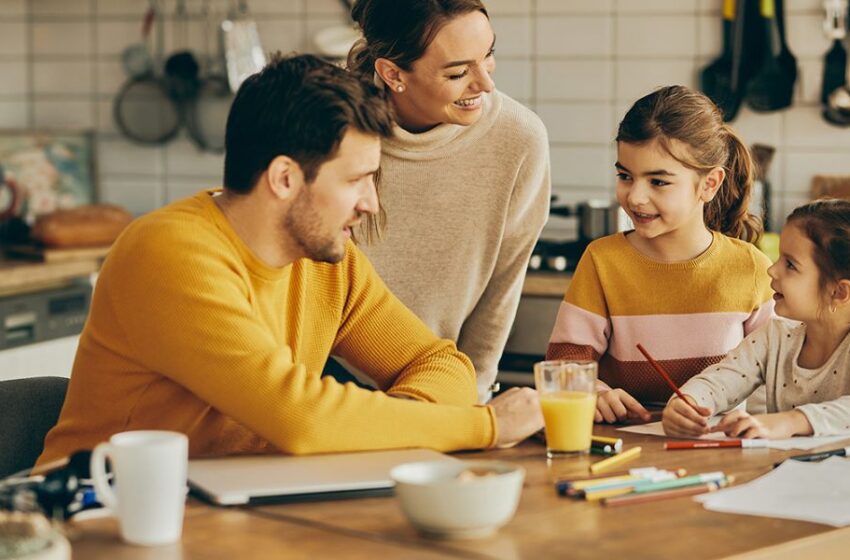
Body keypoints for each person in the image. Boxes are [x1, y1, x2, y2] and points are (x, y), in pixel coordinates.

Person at [37, 54, 543, 466]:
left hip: (237, 512)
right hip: (96, 515)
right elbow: (302, 417)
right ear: (284, 179)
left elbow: (437, 362)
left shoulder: (328, 260)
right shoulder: (171, 254)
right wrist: (488, 425)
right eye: (355, 180)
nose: (369, 203)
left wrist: (394, 423)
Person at [345, 0, 551, 402]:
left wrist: (471, 395)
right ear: (392, 73)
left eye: (488, 55)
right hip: (329, 380)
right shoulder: (331, 123)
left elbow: (503, 282)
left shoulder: (519, 138)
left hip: (442, 385)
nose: (485, 84)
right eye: (457, 72)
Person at [545, 85, 774, 424]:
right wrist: (594, 391)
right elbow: (565, 363)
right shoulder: (602, 260)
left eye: (658, 182)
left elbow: (779, 373)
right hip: (625, 444)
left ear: (709, 184)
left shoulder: (751, 267)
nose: (635, 197)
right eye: (625, 176)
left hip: (718, 446)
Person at [663, 199, 850, 438]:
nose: (772, 270)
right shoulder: (775, 337)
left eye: (790, 264)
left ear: (839, 292)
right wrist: (686, 403)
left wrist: (789, 422)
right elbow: (722, 378)